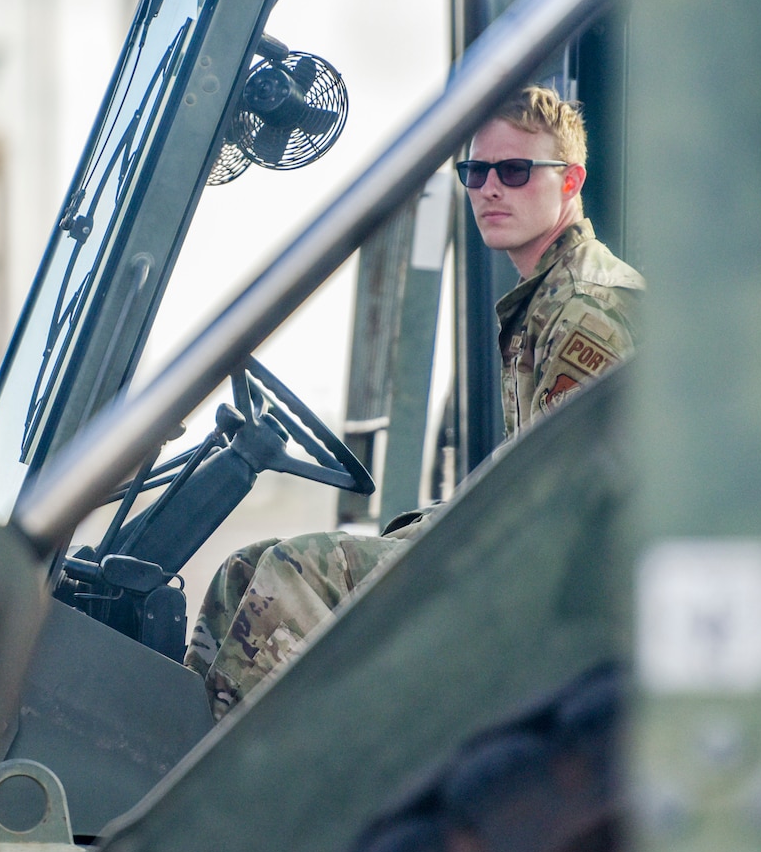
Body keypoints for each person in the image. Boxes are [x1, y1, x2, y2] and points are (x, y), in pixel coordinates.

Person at [184, 86, 642, 717]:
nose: (489, 190)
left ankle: (254, 801)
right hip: (526, 564)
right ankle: (172, 766)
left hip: (560, 597)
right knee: (245, 569)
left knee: (291, 572)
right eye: (475, 172)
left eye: (514, 172)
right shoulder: (545, 298)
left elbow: (565, 514)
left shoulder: (585, 311)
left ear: (570, 182)